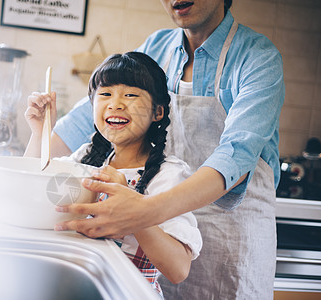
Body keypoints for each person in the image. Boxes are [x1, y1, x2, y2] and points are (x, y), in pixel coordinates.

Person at [48, 0, 285, 299]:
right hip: (157, 252)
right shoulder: (157, 46)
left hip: (230, 247)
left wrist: (142, 212)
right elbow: (82, 121)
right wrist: (31, 153)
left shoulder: (257, 58)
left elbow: (236, 157)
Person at [24, 52, 203, 297]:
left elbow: (179, 269)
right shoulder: (88, 156)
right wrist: (40, 133)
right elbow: (33, 190)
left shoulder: (168, 175)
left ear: (157, 112)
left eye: (130, 95)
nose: (115, 104)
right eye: (105, 94)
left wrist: (133, 210)